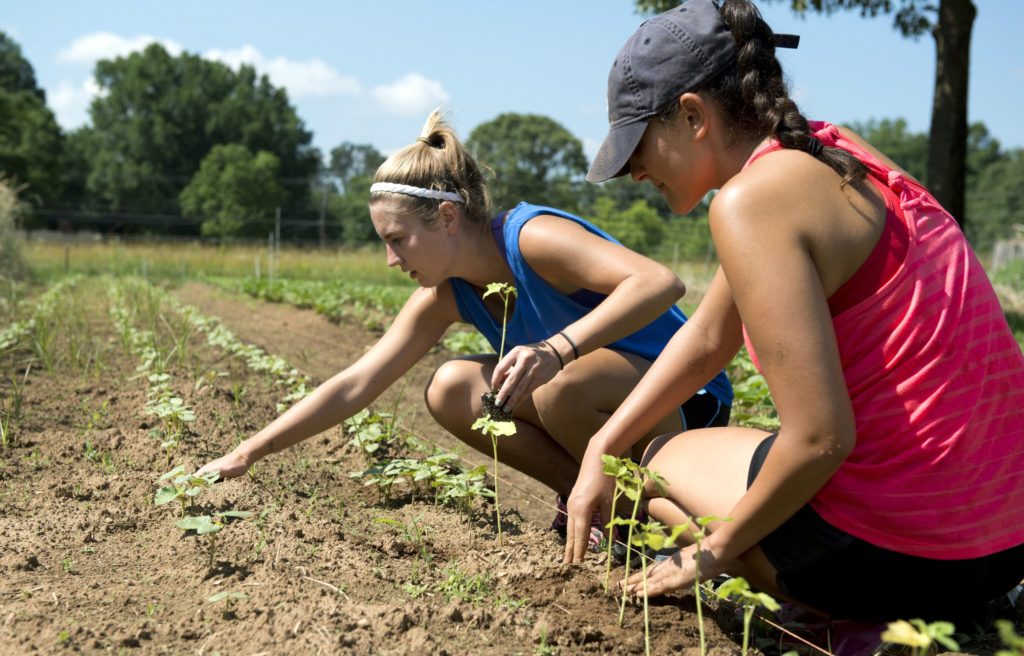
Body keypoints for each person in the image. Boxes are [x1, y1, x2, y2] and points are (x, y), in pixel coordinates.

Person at [567, 0, 1024, 656]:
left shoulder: (751, 203)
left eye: (638, 142)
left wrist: (712, 552)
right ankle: (941, 603)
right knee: (647, 457)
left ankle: (852, 621)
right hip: (1003, 541)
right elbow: (713, 334)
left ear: (693, 115)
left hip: (912, 558)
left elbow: (820, 438)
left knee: (661, 462)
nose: (634, 169)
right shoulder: (831, 154)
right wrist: (602, 445)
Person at [198, 109, 733, 545]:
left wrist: (556, 349)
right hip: (595, 407)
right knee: (453, 388)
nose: (390, 259)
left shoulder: (530, 238)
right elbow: (356, 383)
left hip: (683, 395)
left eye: (397, 239)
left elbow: (659, 282)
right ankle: (593, 507)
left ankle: (655, 528)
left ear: (448, 220)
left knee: (558, 385)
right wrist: (249, 452)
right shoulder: (448, 291)